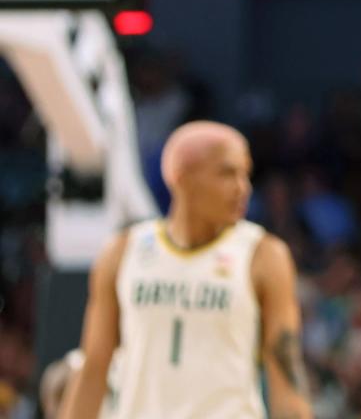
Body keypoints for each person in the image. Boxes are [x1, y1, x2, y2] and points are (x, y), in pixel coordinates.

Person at [61, 121, 312, 419]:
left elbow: (286, 374)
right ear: (182, 177)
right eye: (227, 173)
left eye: (246, 174)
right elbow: (94, 368)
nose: (242, 188)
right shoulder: (123, 251)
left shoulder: (264, 255)